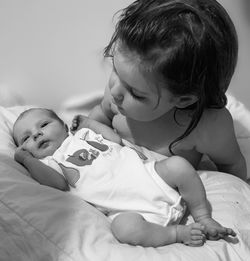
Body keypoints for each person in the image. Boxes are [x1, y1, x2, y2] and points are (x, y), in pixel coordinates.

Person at [13, 108, 236, 247]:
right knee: (123, 229)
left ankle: (203, 216)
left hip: (152, 177)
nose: (36, 134)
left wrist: (88, 123)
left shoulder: (83, 135)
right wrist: (27, 160)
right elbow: (58, 184)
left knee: (178, 166)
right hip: (129, 209)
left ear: (63, 125)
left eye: (43, 125)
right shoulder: (48, 163)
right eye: (26, 138)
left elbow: (114, 140)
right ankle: (176, 233)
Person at [84, 0, 247, 180]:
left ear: (183, 99)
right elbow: (101, 115)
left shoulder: (207, 126)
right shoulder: (117, 94)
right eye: (116, 70)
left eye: (136, 94)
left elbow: (231, 166)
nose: (114, 91)